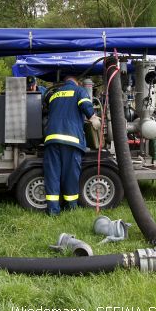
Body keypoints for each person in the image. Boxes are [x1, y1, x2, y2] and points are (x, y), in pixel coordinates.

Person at [43, 76, 101, 215]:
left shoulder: (54, 94)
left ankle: (52, 210)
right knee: (70, 175)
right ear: (77, 82)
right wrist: (93, 117)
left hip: (51, 138)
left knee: (52, 175)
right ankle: (71, 207)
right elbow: (86, 106)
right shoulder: (79, 91)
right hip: (71, 139)